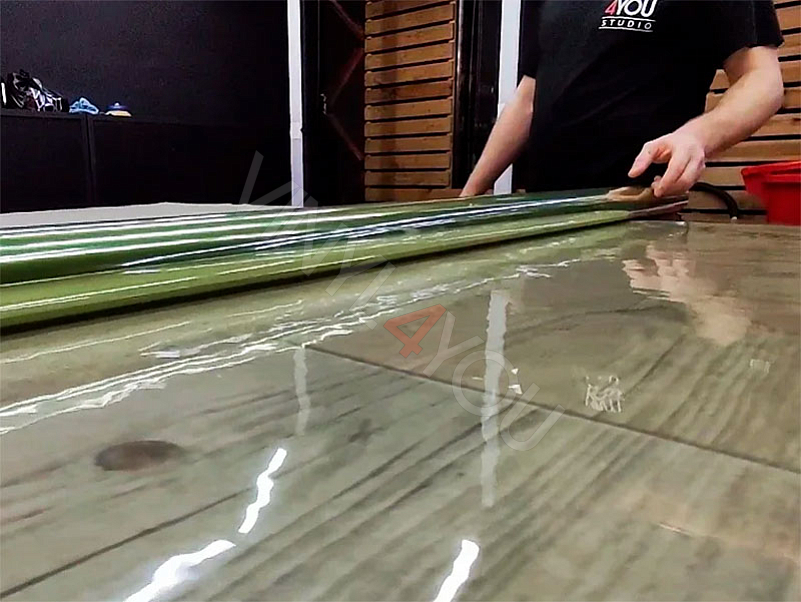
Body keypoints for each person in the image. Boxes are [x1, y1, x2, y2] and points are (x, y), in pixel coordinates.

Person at [461, 0, 785, 198]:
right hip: (545, 214)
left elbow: (762, 79)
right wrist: (470, 194)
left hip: (636, 212)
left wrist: (696, 136)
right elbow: (527, 98)